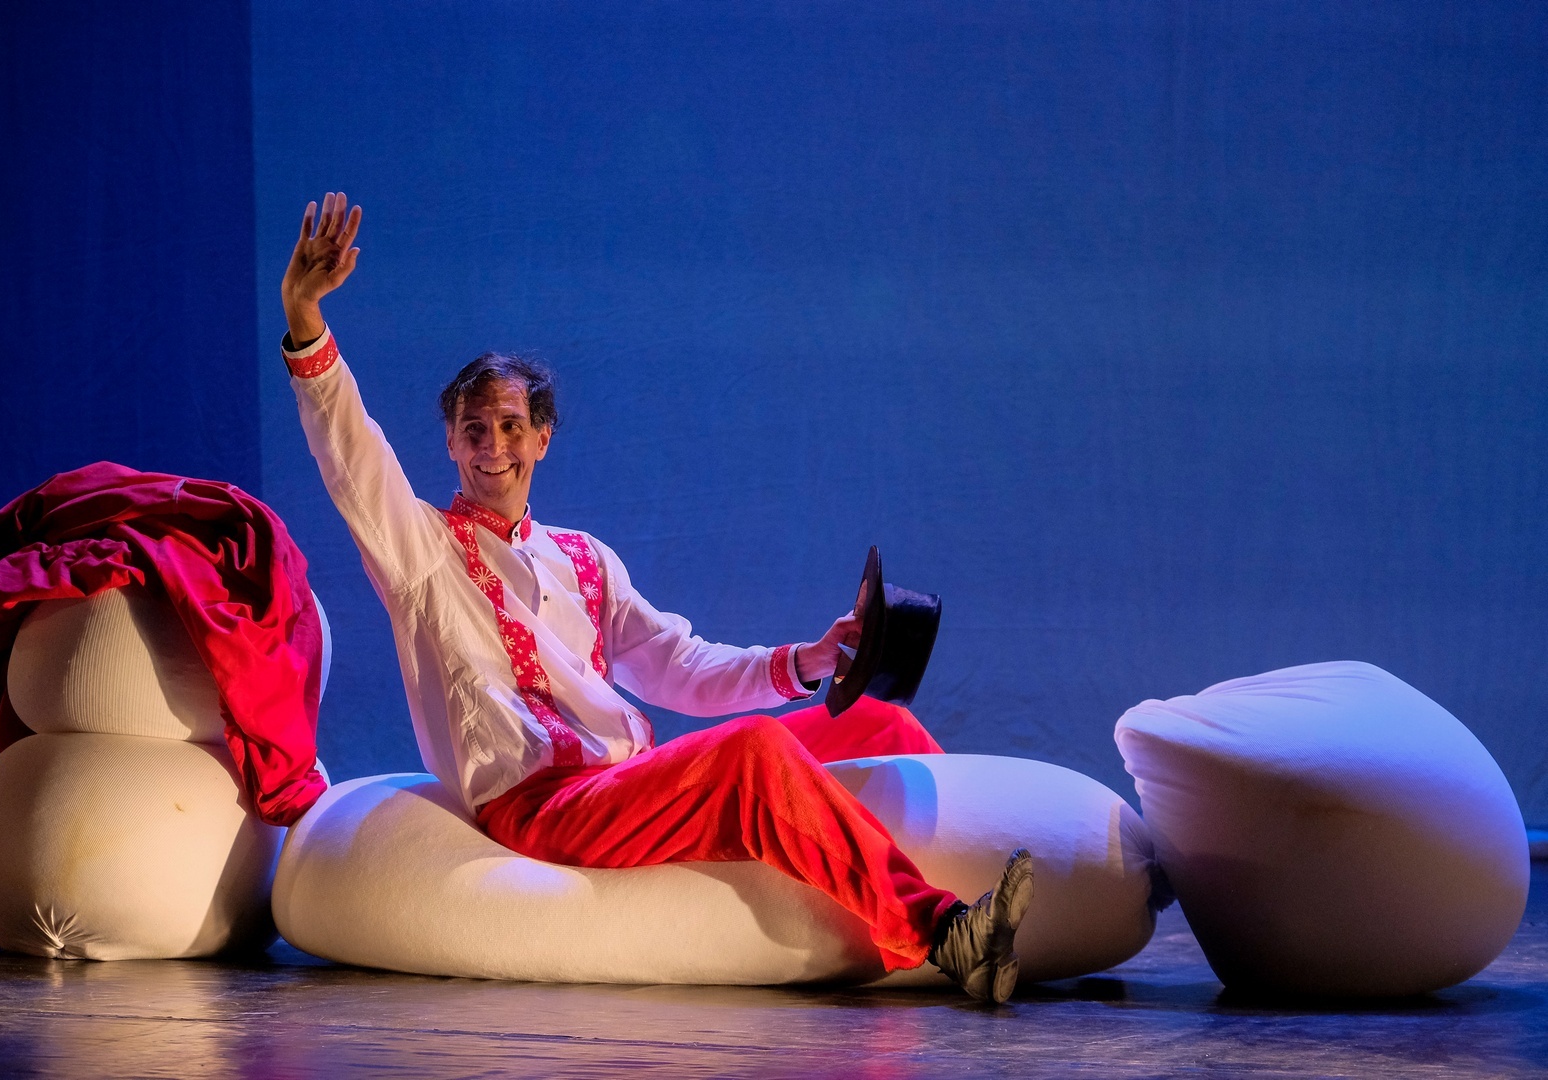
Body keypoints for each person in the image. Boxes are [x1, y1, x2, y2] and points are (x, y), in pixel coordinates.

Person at [279, 192, 1033, 1003]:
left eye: (509, 426)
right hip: (545, 808)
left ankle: (989, 912)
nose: (491, 445)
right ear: (451, 444)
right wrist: (305, 318)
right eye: (474, 430)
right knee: (751, 754)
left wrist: (805, 661)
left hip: (623, 783)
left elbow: (677, 665)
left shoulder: (583, 557)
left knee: (879, 724)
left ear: (542, 438)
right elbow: (351, 455)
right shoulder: (423, 551)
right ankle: (941, 931)